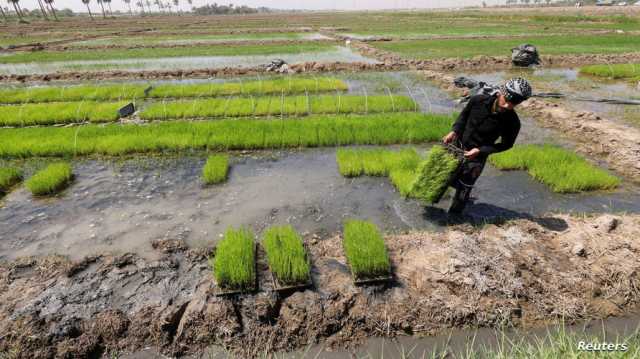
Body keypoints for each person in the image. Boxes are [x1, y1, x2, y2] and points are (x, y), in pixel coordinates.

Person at [442, 77, 532, 214]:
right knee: (444, 177)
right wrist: (454, 131)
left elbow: (506, 144)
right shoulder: (477, 101)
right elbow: (463, 117)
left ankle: (454, 218)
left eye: (514, 104)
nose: (508, 106)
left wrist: (480, 150)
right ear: (501, 92)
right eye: (507, 100)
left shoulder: (513, 122)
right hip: (457, 146)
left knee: (464, 189)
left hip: (477, 157)